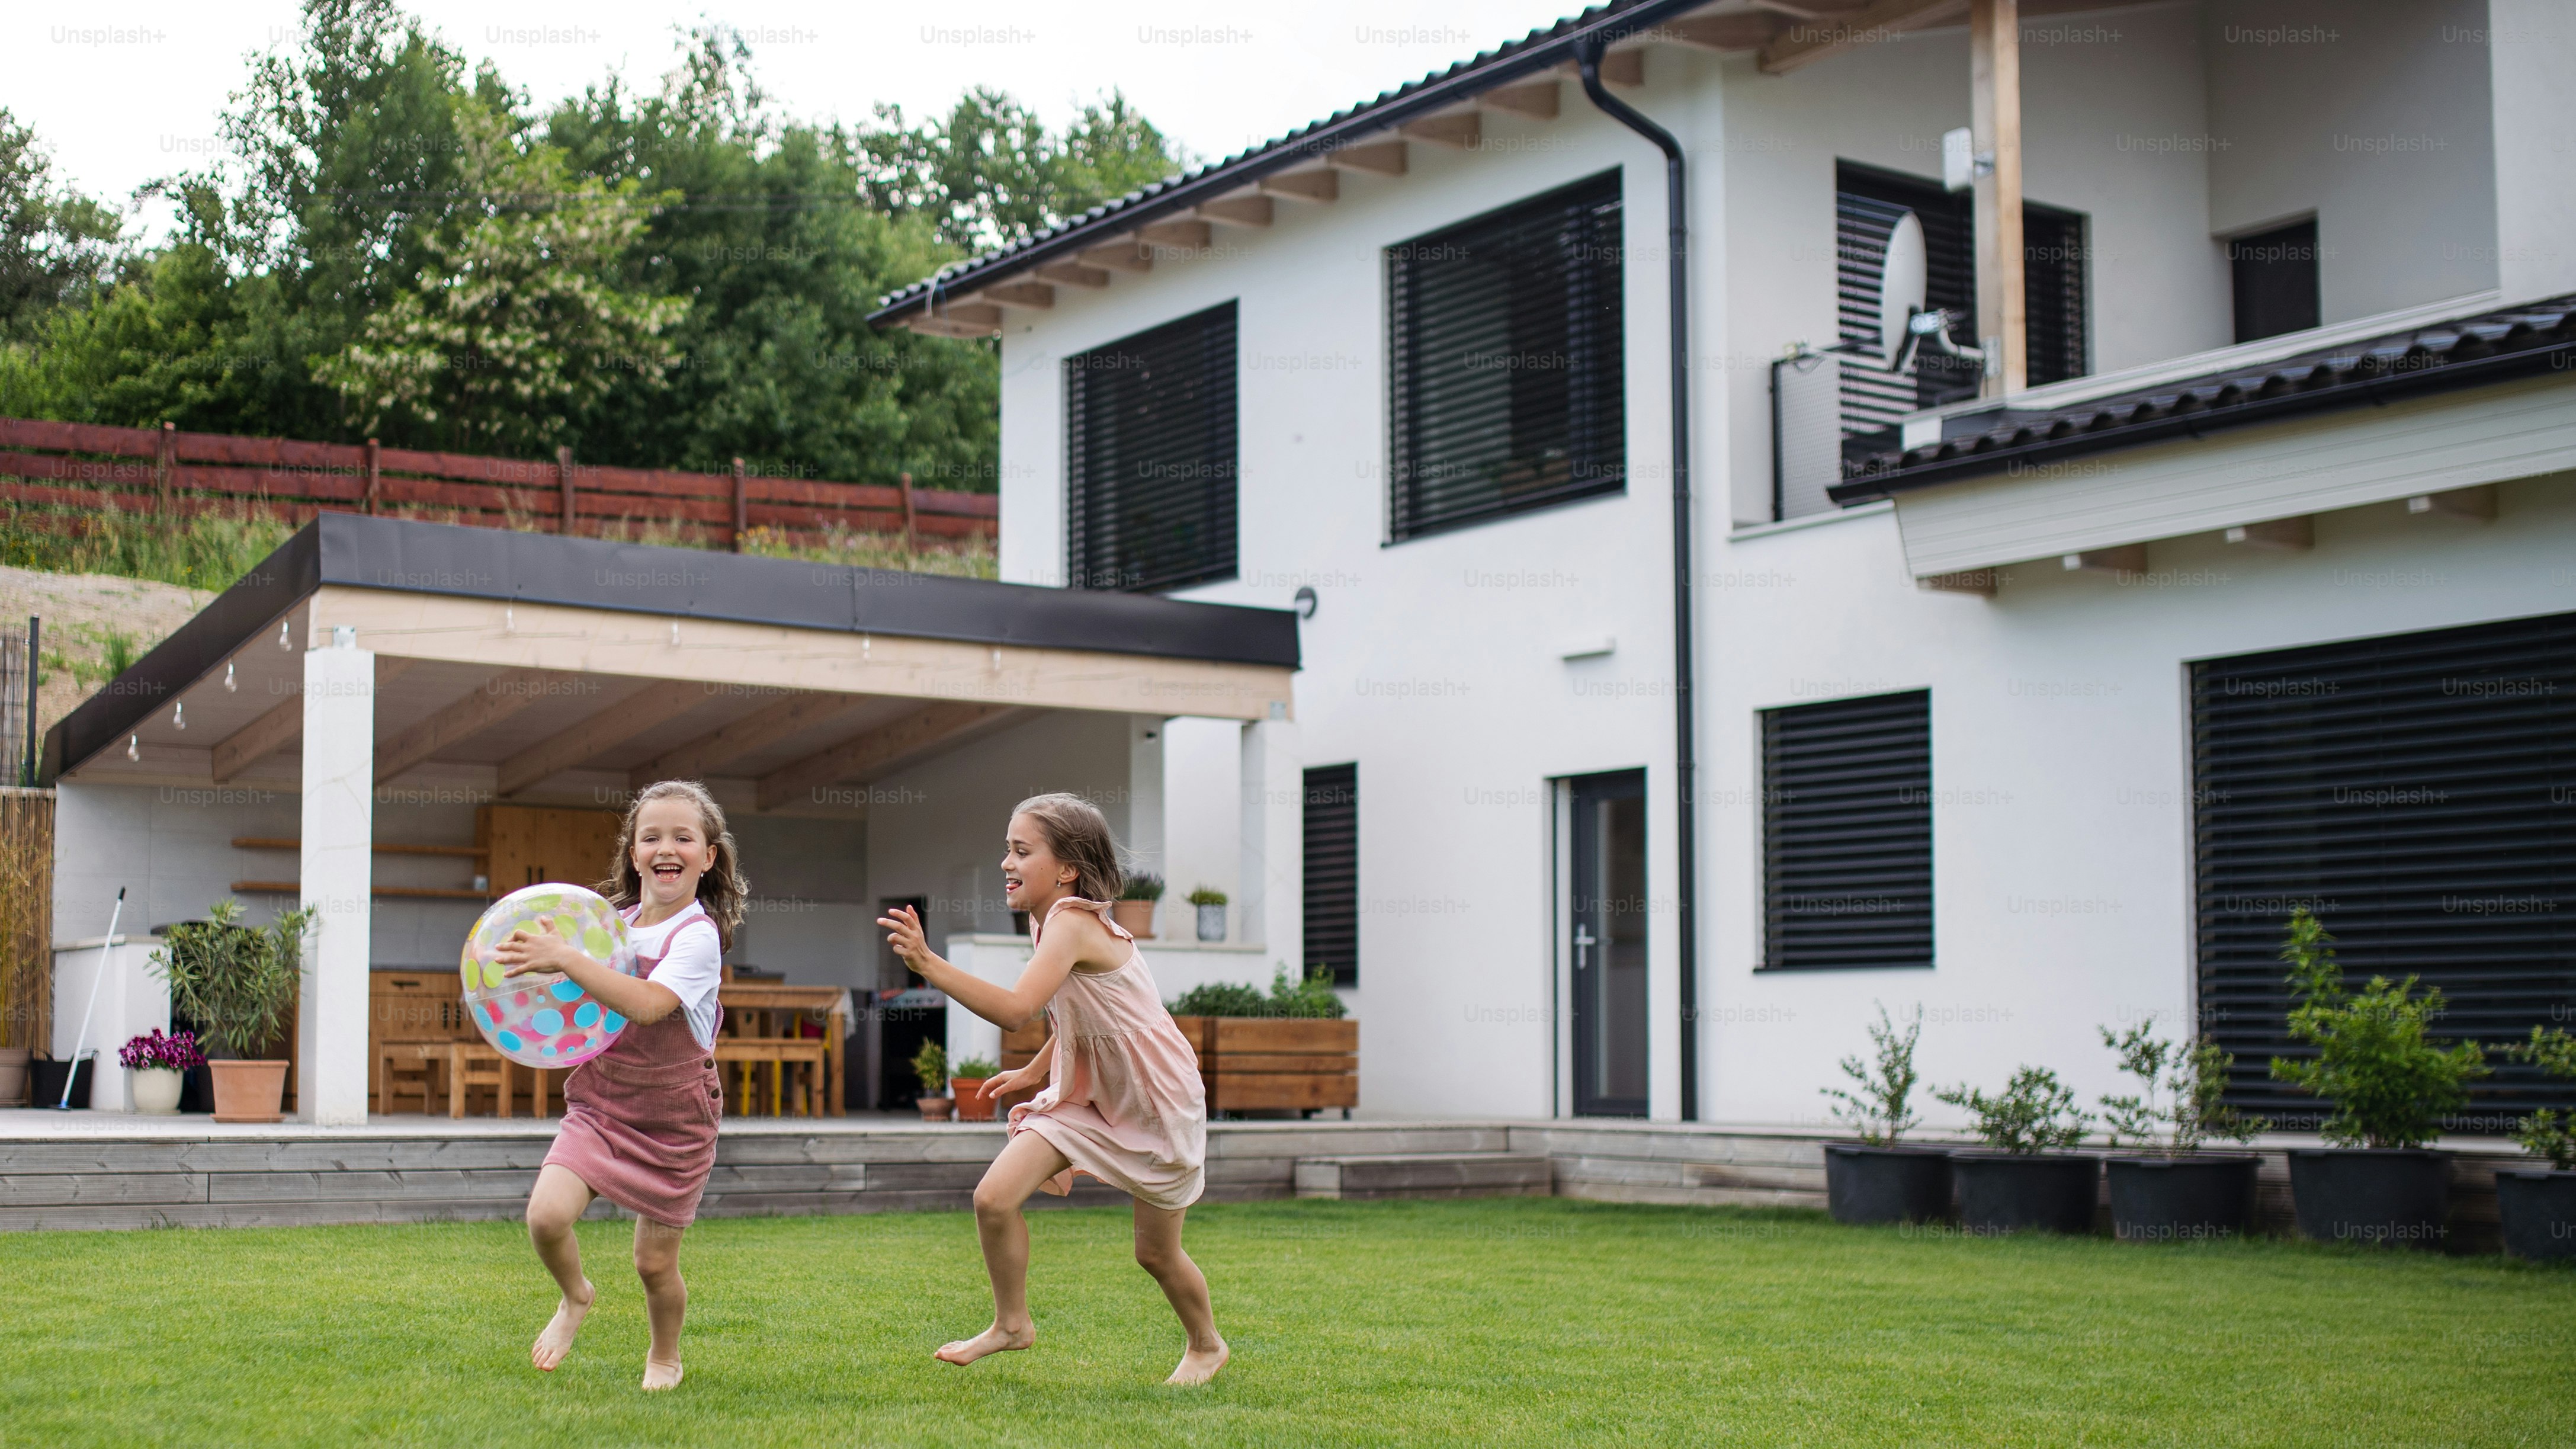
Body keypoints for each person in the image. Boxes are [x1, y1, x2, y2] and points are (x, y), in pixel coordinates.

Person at [877, 792, 1227, 1386]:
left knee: (1155, 1253)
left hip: (1154, 1098)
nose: (1006, 863)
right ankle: (1011, 1324)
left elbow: (1017, 1009)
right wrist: (1038, 1071)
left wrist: (929, 964)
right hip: (1090, 1094)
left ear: (1066, 868)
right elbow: (1084, 1007)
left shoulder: (1069, 921)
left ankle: (1205, 1346)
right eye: (1005, 850)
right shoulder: (1049, 919)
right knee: (993, 1198)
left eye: (1020, 850)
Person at [502, 780, 746, 1390]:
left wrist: (566, 958)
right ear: (633, 852)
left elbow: (645, 1004)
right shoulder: (607, 926)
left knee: (653, 1262)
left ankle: (665, 1354)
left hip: (675, 1117)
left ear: (708, 856)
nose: (667, 848)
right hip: (603, 1103)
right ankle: (575, 1295)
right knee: (545, 1217)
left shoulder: (697, 935)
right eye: (652, 836)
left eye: (683, 837)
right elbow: (569, 1001)